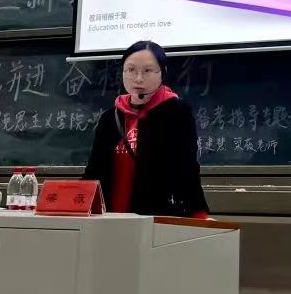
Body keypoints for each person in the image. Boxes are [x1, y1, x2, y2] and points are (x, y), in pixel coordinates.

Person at [84, 40, 209, 217]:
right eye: (131, 70)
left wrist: (198, 212)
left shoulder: (176, 112)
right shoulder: (110, 117)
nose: (138, 78)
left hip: (157, 216)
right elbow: (94, 171)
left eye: (147, 71)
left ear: (162, 73)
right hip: (109, 217)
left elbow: (187, 167)